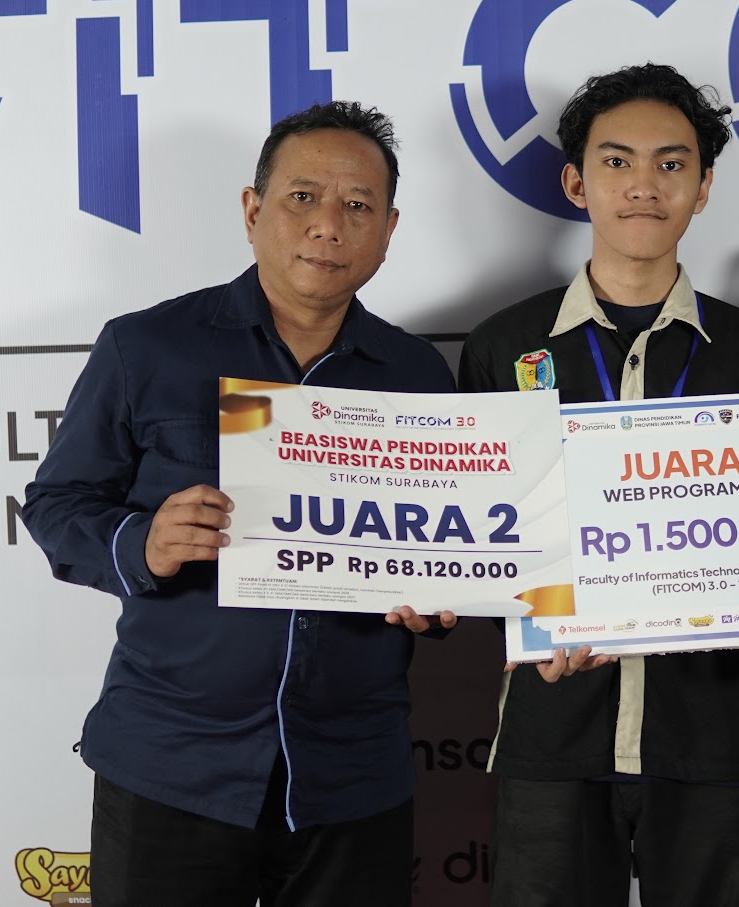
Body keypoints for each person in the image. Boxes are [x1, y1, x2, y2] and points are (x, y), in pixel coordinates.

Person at [24, 101, 454, 907]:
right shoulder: (145, 346)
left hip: (352, 772)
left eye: (357, 205)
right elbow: (56, 503)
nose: (328, 225)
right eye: (302, 197)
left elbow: (448, 550)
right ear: (253, 210)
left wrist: (439, 596)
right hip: (173, 763)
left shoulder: (418, 376)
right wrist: (140, 541)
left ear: (388, 229)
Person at [458, 63, 739, 907]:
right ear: (576, 182)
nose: (644, 184)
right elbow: (481, 538)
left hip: (705, 734)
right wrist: (521, 617)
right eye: (617, 161)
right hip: (554, 730)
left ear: (703, 188)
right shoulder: (502, 348)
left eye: (672, 163)